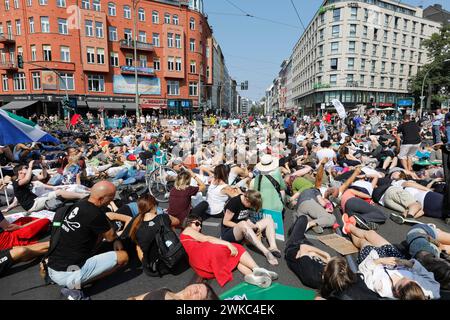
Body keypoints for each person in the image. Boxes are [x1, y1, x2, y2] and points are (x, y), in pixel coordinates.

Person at [46, 181, 129, 300]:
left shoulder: (80, 204)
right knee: (123, 257)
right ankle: (73, 286)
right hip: (67, 273)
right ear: (101, 198)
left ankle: (74, 280)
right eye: (110, 198)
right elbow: (110, 236)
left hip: (53, 265)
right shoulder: (95, 214)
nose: (111, 201)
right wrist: (116, 238)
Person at [342, 216, 440, 300]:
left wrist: (378, 261)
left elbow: (364, 273)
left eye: (403, 280)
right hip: (398, 260)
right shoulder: (429, 291)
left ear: (397, 292)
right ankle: (351, 226)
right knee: (371, 234)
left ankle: (348, 228)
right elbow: (431, 280)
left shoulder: (382, 288)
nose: (405, 277)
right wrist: (408, 263)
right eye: (411, 280)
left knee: (363, 242)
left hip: (374, 262)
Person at [285, 216, 379, 300]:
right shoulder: (334, 277)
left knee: (302, 219)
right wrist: (318, 255)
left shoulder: (311, 275)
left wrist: (325, 254)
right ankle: (300, 230)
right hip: (308, 252)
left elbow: (303, 248)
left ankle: (305, 227)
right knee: (301, 231)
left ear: (326, 271)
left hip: (295, 246)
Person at [180, 215, 278, 287]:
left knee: (235, 257)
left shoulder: (185, 236)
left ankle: (252, 276)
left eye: (200, 225)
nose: (199, 227)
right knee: (237, 247)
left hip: (202, 267)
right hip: (205, 257)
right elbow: (207, 238)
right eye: (197, 224)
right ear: (188, 222)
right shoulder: (187, 229)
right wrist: (228, 244)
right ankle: (257, 269)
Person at [221, 190, 281, 265]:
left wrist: (250, 223)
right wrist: (245, 225)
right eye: (252, 205)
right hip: (230, 232)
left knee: (269, 220)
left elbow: (243, 216)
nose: (252, 207)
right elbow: (225, 222)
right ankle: (266, 252)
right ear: (247, 200)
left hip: (244, 229)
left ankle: (273, 247)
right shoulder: (234, 202)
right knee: (243, 224)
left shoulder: (247, 201)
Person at [127, 194, 179, 277]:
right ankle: (175, 247)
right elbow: (177, 221)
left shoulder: (136, 224)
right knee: (169, 227)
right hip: (173, 261)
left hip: (154, 268)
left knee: (138, 246)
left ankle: (146, 263)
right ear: (154, 206)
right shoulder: (162, 218)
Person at [12, 161, 87, 213]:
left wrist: (43, 166)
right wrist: (30, 166)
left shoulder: (27, 179)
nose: (27, 168)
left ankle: (80, 197)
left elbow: (43, 176)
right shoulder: (16, 182)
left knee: (59, 191)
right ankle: (83, 196)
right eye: (25, 168)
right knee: (59, 192)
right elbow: (26, 179)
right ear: (20, 172)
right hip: (32, 205)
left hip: (36, 200)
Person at [128, 282, 219, 300]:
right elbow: (135, 298)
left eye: (198, 295)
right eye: (198, 287)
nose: (195, 290)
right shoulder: (165, 289)